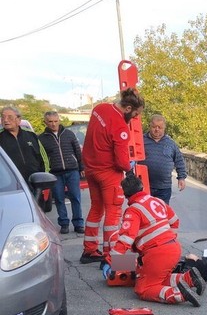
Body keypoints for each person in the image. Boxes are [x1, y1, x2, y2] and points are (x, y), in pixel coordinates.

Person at [102, 172, 205, 306]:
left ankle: (178, 295)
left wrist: (110, 260)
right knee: (157, 278)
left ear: (126, 196)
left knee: (143, 288)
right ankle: (188, 279)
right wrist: (169, 238)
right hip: (173, 248)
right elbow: (175, 221)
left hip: (157, 253)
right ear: (142, 188)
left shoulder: (133, 210)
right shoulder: (157, 201)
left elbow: (126, 239)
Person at [80, 88, 145, 264]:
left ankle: (90, 250)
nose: (134, 119)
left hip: (91, 170)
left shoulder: (99, 109)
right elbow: (122, 162)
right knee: (113, 215)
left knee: (96, 209)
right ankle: (111, 257)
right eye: (135, 114)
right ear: (128, 108)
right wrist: (129, 166)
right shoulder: (120, 126)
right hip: (108, 173)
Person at [38, 110, 85, 234]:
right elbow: (41, 157)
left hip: (72, 170)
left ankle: (78, 224)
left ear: (59, 120)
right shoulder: (42, 139)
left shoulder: (69, 134)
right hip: (55, 173)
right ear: (45, 122)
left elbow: (77, 151)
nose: (53, 124)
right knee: (59, 199)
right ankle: (64, 224)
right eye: (50, 122)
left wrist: (82, 167)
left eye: (55, 121)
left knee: (75, 197)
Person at [139, 114, 187, 204]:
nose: (156, 129)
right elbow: (132, 158)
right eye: (154, 126)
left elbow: (179, 161)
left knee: (162, 214)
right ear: (150, 126)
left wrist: (181, 178)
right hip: (143, 186)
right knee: (144, 213)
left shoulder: (171, 143)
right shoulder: (141, 140)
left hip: (164, 188)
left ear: (164, 128)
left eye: (159, 127)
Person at [0, 106, 48, 182]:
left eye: (10, 117)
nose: (5, 120)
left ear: (18, 120)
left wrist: (44, 176)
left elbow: (43, 157)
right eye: (3, 117)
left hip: (35, 180)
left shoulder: (31, 134)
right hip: (11, 183)